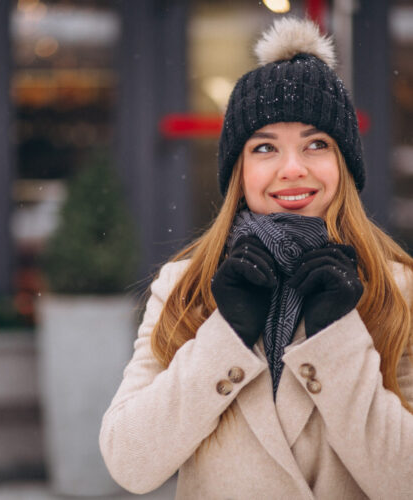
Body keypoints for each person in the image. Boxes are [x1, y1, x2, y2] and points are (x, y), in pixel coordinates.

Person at [99, 17, 413, 499]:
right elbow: (129, 462)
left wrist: (338, 341)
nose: (292, 168)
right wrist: (224, 337)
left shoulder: (399, 290)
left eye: (316, 144)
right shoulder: (186, 285)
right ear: (239, 171)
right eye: (265, 147)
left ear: (343, 165)